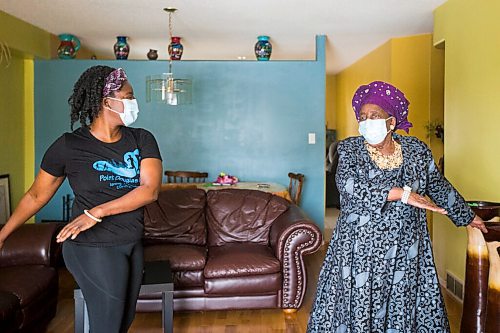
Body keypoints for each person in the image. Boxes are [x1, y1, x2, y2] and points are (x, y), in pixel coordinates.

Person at [307, 81, 487, 332]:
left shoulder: (416, 151)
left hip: (407, 249)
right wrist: (401, 193)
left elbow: (437, 185)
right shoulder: (350, 149)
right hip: (361, 251)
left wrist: (467, 216)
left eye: (374, 116)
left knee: (404, 310)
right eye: (362, 117)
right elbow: (349, 189)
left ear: (391, 122)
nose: (366, 122)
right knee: (361, 310)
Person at [0, 66, 162, 333]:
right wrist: (4, 233)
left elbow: (149, 190)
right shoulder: (69, 146)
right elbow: (36, 195)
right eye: (129, 95)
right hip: (91, 246)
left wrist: (95, 212)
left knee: (123, 321)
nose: (134, 102)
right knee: (107, 325)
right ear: (108, 101)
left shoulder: (141, 139)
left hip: (131, 241)